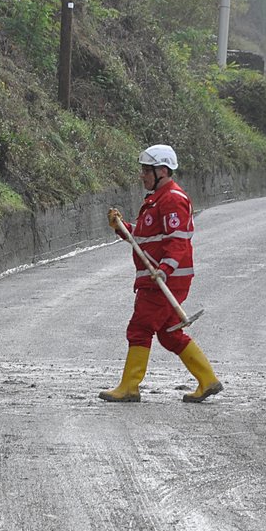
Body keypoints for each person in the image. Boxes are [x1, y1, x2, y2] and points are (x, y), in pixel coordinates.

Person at [99, 144, 224, 403]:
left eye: (147, 170)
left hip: (164, 279)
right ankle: (208, 380)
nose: (142, 175)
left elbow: (178, 240)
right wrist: (122, 227)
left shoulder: (172, 199)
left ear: (163, 170)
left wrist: (165, 269)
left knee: (140, 328)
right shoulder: (156, 199)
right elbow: (146, 240)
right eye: (143, 170)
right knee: (169, 334)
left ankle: (129, 387)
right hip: (158, 276)